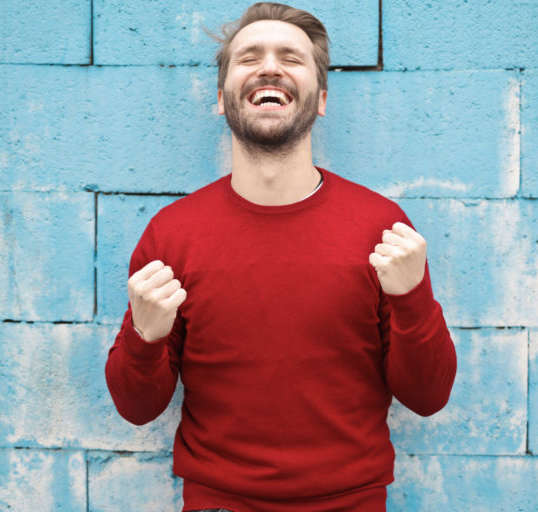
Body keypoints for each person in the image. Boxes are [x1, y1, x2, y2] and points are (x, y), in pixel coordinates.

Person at [105, 3, 457, 511]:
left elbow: (428, 397)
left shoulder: (381, 228)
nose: (269, 66)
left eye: (290, 57)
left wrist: (413, 297)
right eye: (249, 57)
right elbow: (137, 409)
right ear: (223, 100)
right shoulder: (172, 235)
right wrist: (145, 337)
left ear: (321, 100)